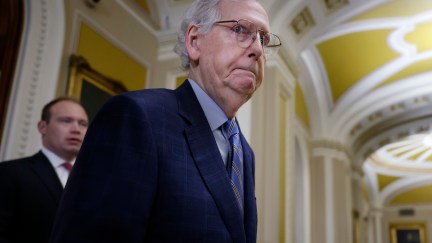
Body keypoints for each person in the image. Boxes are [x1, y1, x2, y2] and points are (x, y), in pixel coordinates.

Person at [50, 0, 281, 242]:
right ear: (194, 41)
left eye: (263, 39)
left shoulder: (245, 151)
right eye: (239, 30)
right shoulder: (136, 117)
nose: (257, 48)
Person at [0, 97, 89, 243]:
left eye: (83, 124)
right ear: (42, 127)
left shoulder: (94, 182)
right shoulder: (10, 172)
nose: (76, 130)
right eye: (66, 121)